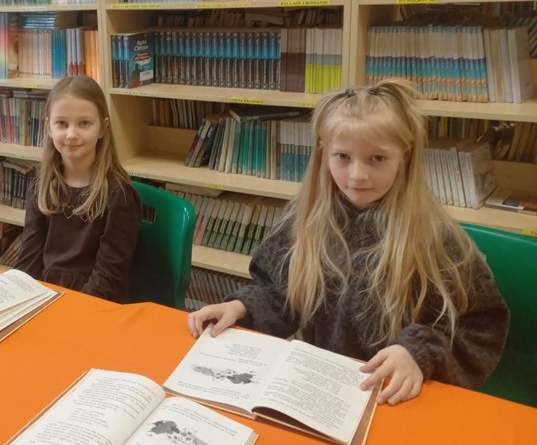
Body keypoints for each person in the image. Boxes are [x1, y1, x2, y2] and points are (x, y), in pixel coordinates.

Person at [187, 79, 509, 406]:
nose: (357, 175)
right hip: (322, 389)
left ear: (406, 156)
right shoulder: (306, 221)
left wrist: (417, 352)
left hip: (397, 395)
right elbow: (281, 295)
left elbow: (481, 326)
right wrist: (240, 307)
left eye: (377, 158)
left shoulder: (435, 238)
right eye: (342, 156)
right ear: (323, 152)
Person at [15, 75, 141, 303]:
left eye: (84, 123)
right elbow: (27, 263)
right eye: (62, 124)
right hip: (45, 298)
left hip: (93, 303)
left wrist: (70, 311)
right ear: (48, 127)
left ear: (102, 128)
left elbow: (108, 279)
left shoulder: (118, 196)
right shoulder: (41, 187)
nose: (71, 134)